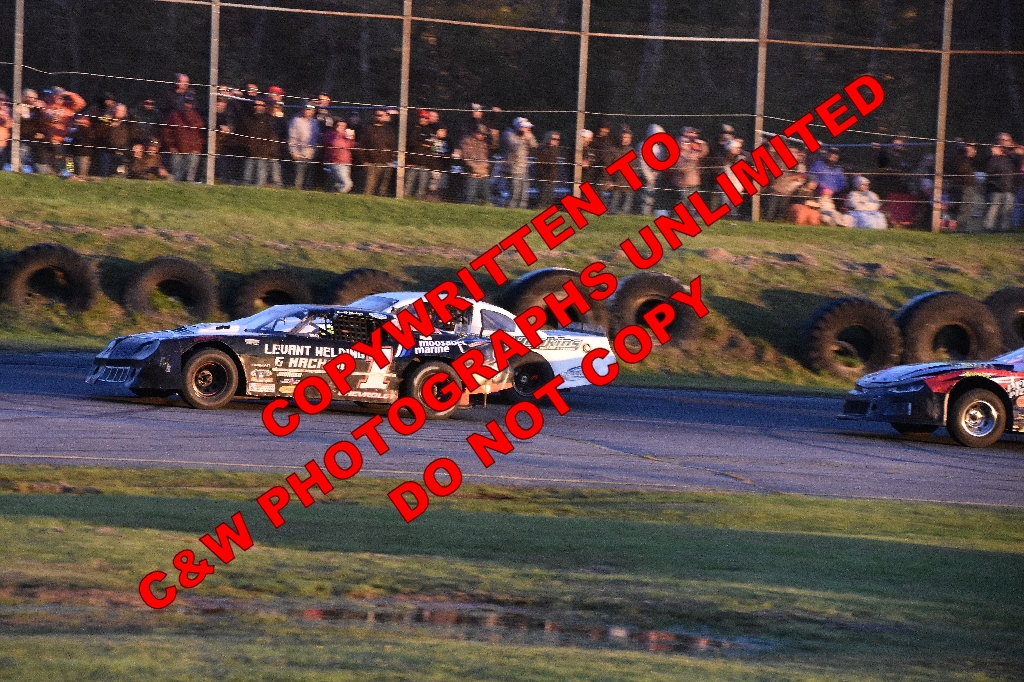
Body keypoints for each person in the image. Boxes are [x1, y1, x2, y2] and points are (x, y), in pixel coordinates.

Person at [163, 94, 205, 182]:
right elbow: (167, 131)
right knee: (177, 175)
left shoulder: (196, 116)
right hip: (177, 149)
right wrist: (171, 146)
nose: (188, 105)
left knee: (190, 176)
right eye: (186, 102)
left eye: (190, 103)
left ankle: (189, 189)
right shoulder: (174, 115)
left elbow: (200, 134)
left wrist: (198, 148)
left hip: (193, 150)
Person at [241, 99, 282, 187]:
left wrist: (266, 151)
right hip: (249, 152)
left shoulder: (269, 120)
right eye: (256, 105)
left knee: (260, 180)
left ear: (265, 107)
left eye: (261, 105)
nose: (258, 107)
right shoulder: (248, 118)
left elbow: (272, 137)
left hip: (262, 153)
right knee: (247, 179)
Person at [360, 108, 396, 196]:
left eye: (383, 115)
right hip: (371, 163)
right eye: (379, 115)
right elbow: (361, 146)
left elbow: (392, 146)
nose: (381, 117)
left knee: (383, 189)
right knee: (369, 188)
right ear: (374, 116)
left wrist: (391, 160)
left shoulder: (389, 130)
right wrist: (364, 161)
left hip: (386, 163)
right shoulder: (368, 129)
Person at [502, 117, 537, 208]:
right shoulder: (508, 133)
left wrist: (530, 137)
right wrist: (523, 139)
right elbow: (513, 147)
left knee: (524, 194)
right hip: (513, 169)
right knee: (515, 193)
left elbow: (534, 146)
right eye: (525, 127)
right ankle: (511, 210)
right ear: (518, 126)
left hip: (524, 169)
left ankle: (521, 210)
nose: (527, 129)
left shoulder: (526, 134)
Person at [288, 102, 321, 189]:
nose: (309, 111)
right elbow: (292, 137)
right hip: (300, 154)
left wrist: (316, 151)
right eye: (307, 109)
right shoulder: (295, 121)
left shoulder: (315, 122)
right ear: (303, 110)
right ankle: (295, 191)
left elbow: (317, 138)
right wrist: (294, 152)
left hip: (311, 155)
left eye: (311, 110)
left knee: (308, 179)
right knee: (298, 178)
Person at [985, 140, 1016, 232]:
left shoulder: (1010, 158)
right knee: (993, 210)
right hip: (996, 188)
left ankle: (1004, 228)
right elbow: (989, 170)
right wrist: (994, 156)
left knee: (1007, 210)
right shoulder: (992, 159)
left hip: (1009, 188)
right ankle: (989, 228)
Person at [458, 124, 492, 205]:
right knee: (470, 196)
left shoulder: (484, 144)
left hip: (483, 174)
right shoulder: (467, 141)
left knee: (486, 197)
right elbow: (466, 158)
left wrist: (484, 169)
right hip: (472, 174)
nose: (483, 136)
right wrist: (476, 169)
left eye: (484, 134)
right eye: (481, 134)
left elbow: (485, 158)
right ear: (475, 132)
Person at [405, 109, 435, 199]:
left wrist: (424, 144)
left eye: (426, 118)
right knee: (408, 183)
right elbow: (411, 142)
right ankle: (405, 198)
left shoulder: (429, 130)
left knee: (422, 186)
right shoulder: (412, 129)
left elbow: (432, 145)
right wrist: (423, 144)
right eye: (422, 117)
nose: (423, 119)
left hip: (425, 162)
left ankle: (419, 200)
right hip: (413, 161)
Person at [606, 129, 636, 215]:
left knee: (626, 210)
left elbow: (635, 168)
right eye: (623, 137)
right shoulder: (613, 150)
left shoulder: (632, 151)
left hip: (629, 183)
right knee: (612, 209)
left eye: (627, 137)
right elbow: (607, 166)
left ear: (630, 139)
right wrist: (609, 180)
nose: (624, 139)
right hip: (616, 182)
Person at [322, 119, 355, 193]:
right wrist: (341, 135)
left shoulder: (346, 135)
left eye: (343, 126)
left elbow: (350, 146)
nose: (341, 127)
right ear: (334, 126)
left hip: (346, 162)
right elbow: (335, 144)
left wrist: (351, 139)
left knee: (337, 182)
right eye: (339, 125)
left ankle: (332, 195)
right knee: (347, 183)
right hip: (335, 162)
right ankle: (338, 195)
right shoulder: (330, 134)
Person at [535, 131, 562, 207]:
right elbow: (540, 165)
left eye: (558, 139)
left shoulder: (556, 150)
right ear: (548, 139)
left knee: (549, 199)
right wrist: (545, 176)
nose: (556, 141)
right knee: (543, 199)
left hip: (552, 178)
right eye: (554, 139)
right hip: (545, 178)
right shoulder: (543, 149)